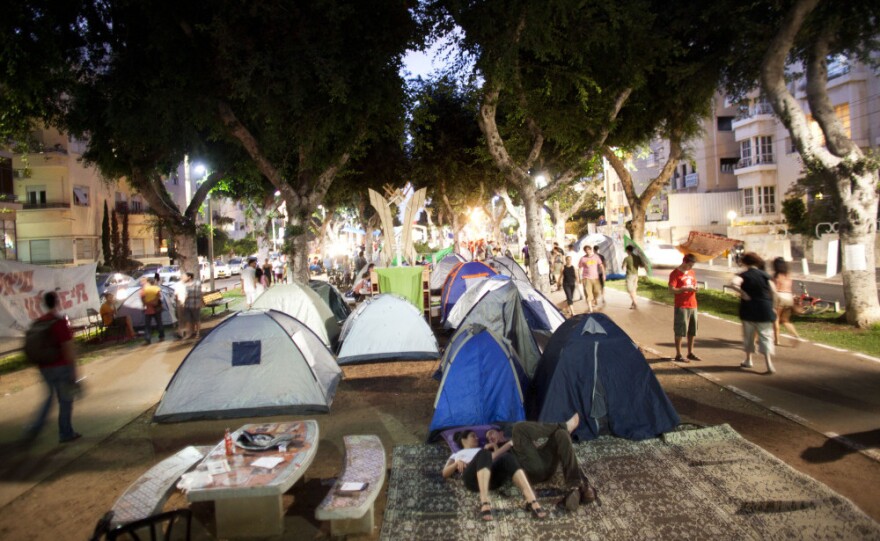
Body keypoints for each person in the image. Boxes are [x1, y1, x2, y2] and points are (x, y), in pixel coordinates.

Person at [485, 413, 596, 512]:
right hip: (530, 472)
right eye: (488, 438)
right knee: (519, 428)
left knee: (561, 434)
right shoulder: (502, 446)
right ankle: (564, 426)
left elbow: (512, 442)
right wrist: (495, 448)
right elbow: (498, 458)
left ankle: (574, 487)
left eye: (491, 433)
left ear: (500, 432)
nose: (490, 437)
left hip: (544, 464)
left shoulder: (511, 437)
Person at [441, 430, 547, 521]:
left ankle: (532, 501)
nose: (477, 438)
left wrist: (495, 446)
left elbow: (497, 459)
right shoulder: (456, 454)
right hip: (472, 480)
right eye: (473, 436)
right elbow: (444, 473)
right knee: (484, 453)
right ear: (463, 440)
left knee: (507, 457)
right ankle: (485, 503)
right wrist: (456, 463)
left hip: (492, 480)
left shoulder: (483, 449)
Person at [24, 291, 81, 444]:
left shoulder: (38, 322)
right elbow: (67, 347)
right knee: (65, 400)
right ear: (57, 302)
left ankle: (34, 427)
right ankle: (65, 432)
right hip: (61, 366)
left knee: (49, 398)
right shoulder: (59, 322)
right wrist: (74, 369)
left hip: (44, 367)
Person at [729, 252, 777, 375]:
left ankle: (748, 360)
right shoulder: (765, 276)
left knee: (749, 336)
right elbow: (774, 292)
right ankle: (769, 364)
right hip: (765, 308)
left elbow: (733, 283)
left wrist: (743, 293)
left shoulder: (743, 275)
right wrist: (773, 307)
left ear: (744, 263)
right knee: (766, 336)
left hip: (749, 310)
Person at [668, 253, 700, 362]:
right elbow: (671, 289)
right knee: (680, 330)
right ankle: (678, 354)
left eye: (692, 266)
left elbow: (694, 284)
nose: (691, 268)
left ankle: (690, 352)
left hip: (693, 304)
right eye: (689, 265)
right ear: (684, 262)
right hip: (681, 305)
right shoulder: (675, 273)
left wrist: (695, 288)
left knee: (692, 330)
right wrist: (683, 289)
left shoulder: (691, 272)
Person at [772, 257, 801, 347]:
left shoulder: (776, 276)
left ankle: (777, 340)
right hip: (789, 297)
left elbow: (773, 289)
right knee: (785, 320)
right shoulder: (788, 275)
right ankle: (796, 335)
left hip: (779, 297)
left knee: (776, 318)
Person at [578, 245, 605, 312]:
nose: (587, 251)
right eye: (586, 250)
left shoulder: (596, 257)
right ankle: (590, 309)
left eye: (588, 250)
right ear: (584, 251)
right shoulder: (583, 259)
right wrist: (580, 277)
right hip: (586, 278)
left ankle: (594, 299)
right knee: (588, 293)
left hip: (595, 278)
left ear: (591, 250)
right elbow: (580, 268)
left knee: (597, 292)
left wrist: (604, 275)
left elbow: (601, 265)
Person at [140, 277, 164, 344]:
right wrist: (155, 302)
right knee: (159, 322)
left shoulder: (143, 289)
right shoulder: (156, 288)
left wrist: (146, 304)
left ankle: (147, 339)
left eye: (143, 281)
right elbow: (159, 296)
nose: (142, 282)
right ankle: (161, 337)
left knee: (147, 325)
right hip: (156, 307)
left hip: (148, 308)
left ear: (147, 282)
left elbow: (142, 298)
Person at [182, 272, 203, 340]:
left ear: (189, 277)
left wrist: (200, 302)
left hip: (195, 304)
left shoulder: (197, 283)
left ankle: (198, 333)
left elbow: (200, 293)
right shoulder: (185, 285)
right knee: (188, 320)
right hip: (187, 304)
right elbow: (186, 295)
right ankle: (189, 333)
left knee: (197, 319)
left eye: (184, 276)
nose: (183, 278)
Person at [622, 245, 642, 309]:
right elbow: (641, 265)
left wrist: (624, 266)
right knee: (634, 290)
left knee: (630, 290)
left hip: (629, 275)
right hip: (636, 275)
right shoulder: (637, 257)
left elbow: (623, 267)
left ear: (627, 250)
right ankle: (633, 303)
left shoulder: (627, 258)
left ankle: (635, 303)